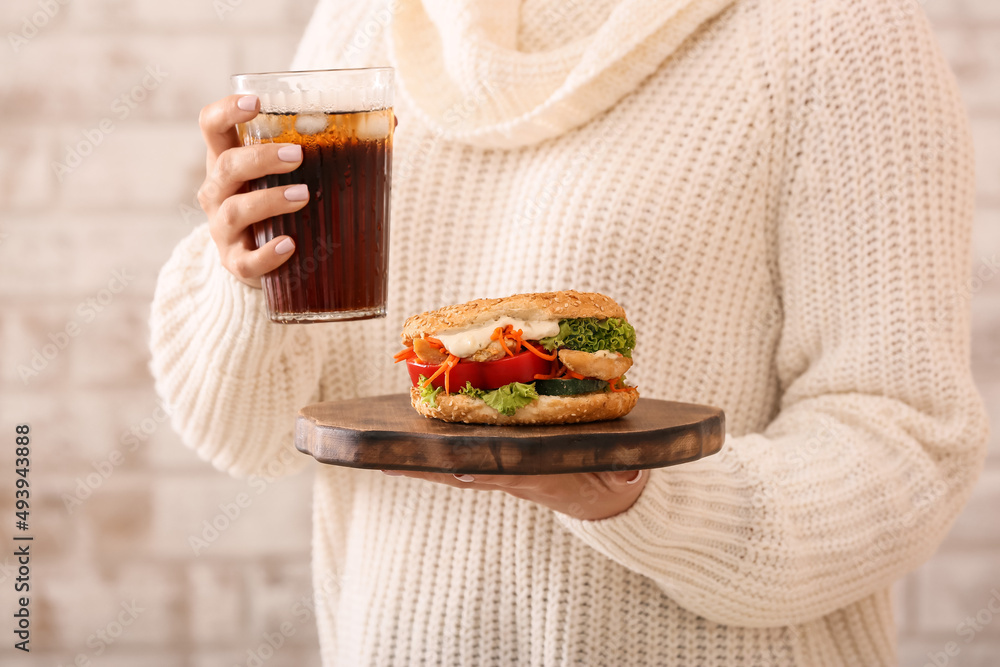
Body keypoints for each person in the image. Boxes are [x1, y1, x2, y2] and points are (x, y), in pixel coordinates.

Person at [150, 0, 989, 664]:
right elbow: (247, 434)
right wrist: (248, 280)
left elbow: (907, 438)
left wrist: (650, 497)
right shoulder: (375, 20)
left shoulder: (833, 27)